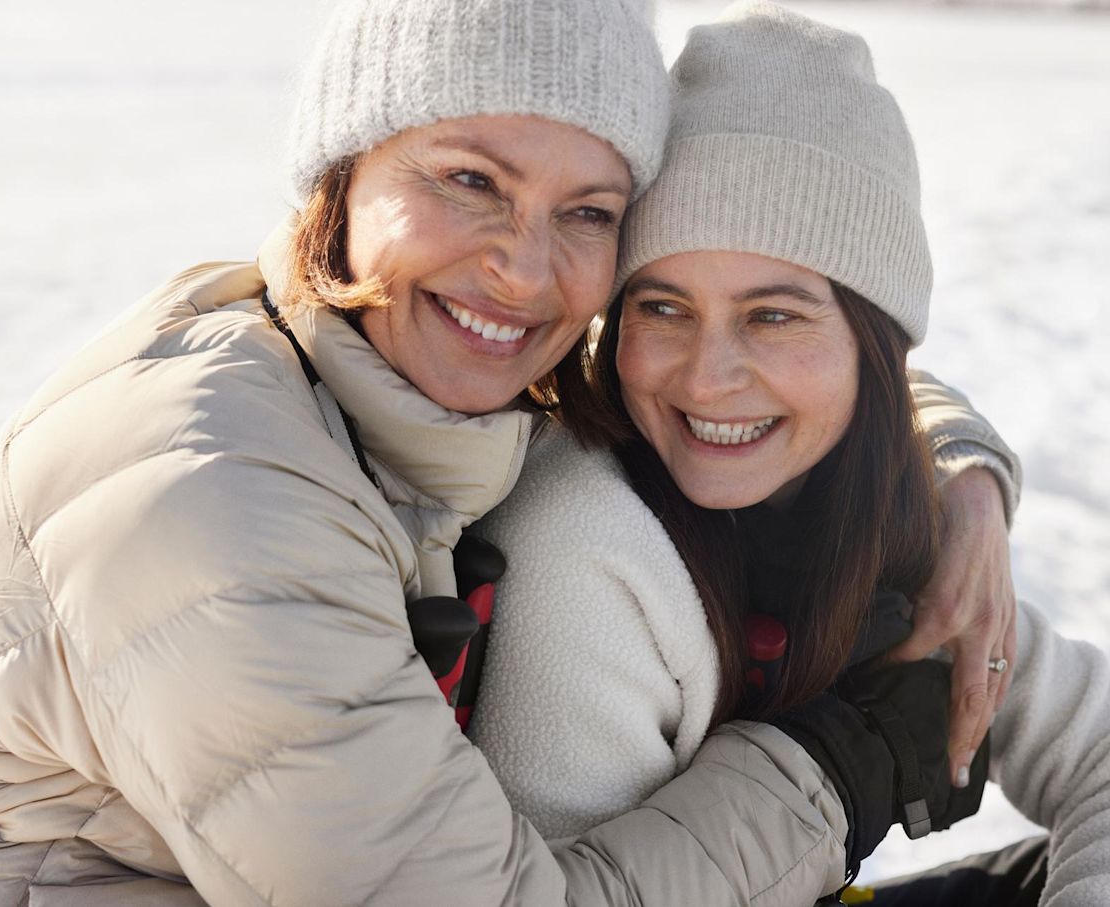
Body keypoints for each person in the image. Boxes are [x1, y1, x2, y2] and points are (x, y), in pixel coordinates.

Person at [0, 0, 1018, 905]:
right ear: (343, 173)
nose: (527, 268)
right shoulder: (214, 499)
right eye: (468, 179)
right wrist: (827, 772)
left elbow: (799, 340)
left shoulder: (422, 356)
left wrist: (960, 476)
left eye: (586, 213)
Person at [471, 3, 1110, 904]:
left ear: (872, 345)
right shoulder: (584, 546)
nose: (708, 377)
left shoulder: (876, 500)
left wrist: (964, 475)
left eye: (773, 315)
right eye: (661, 307)